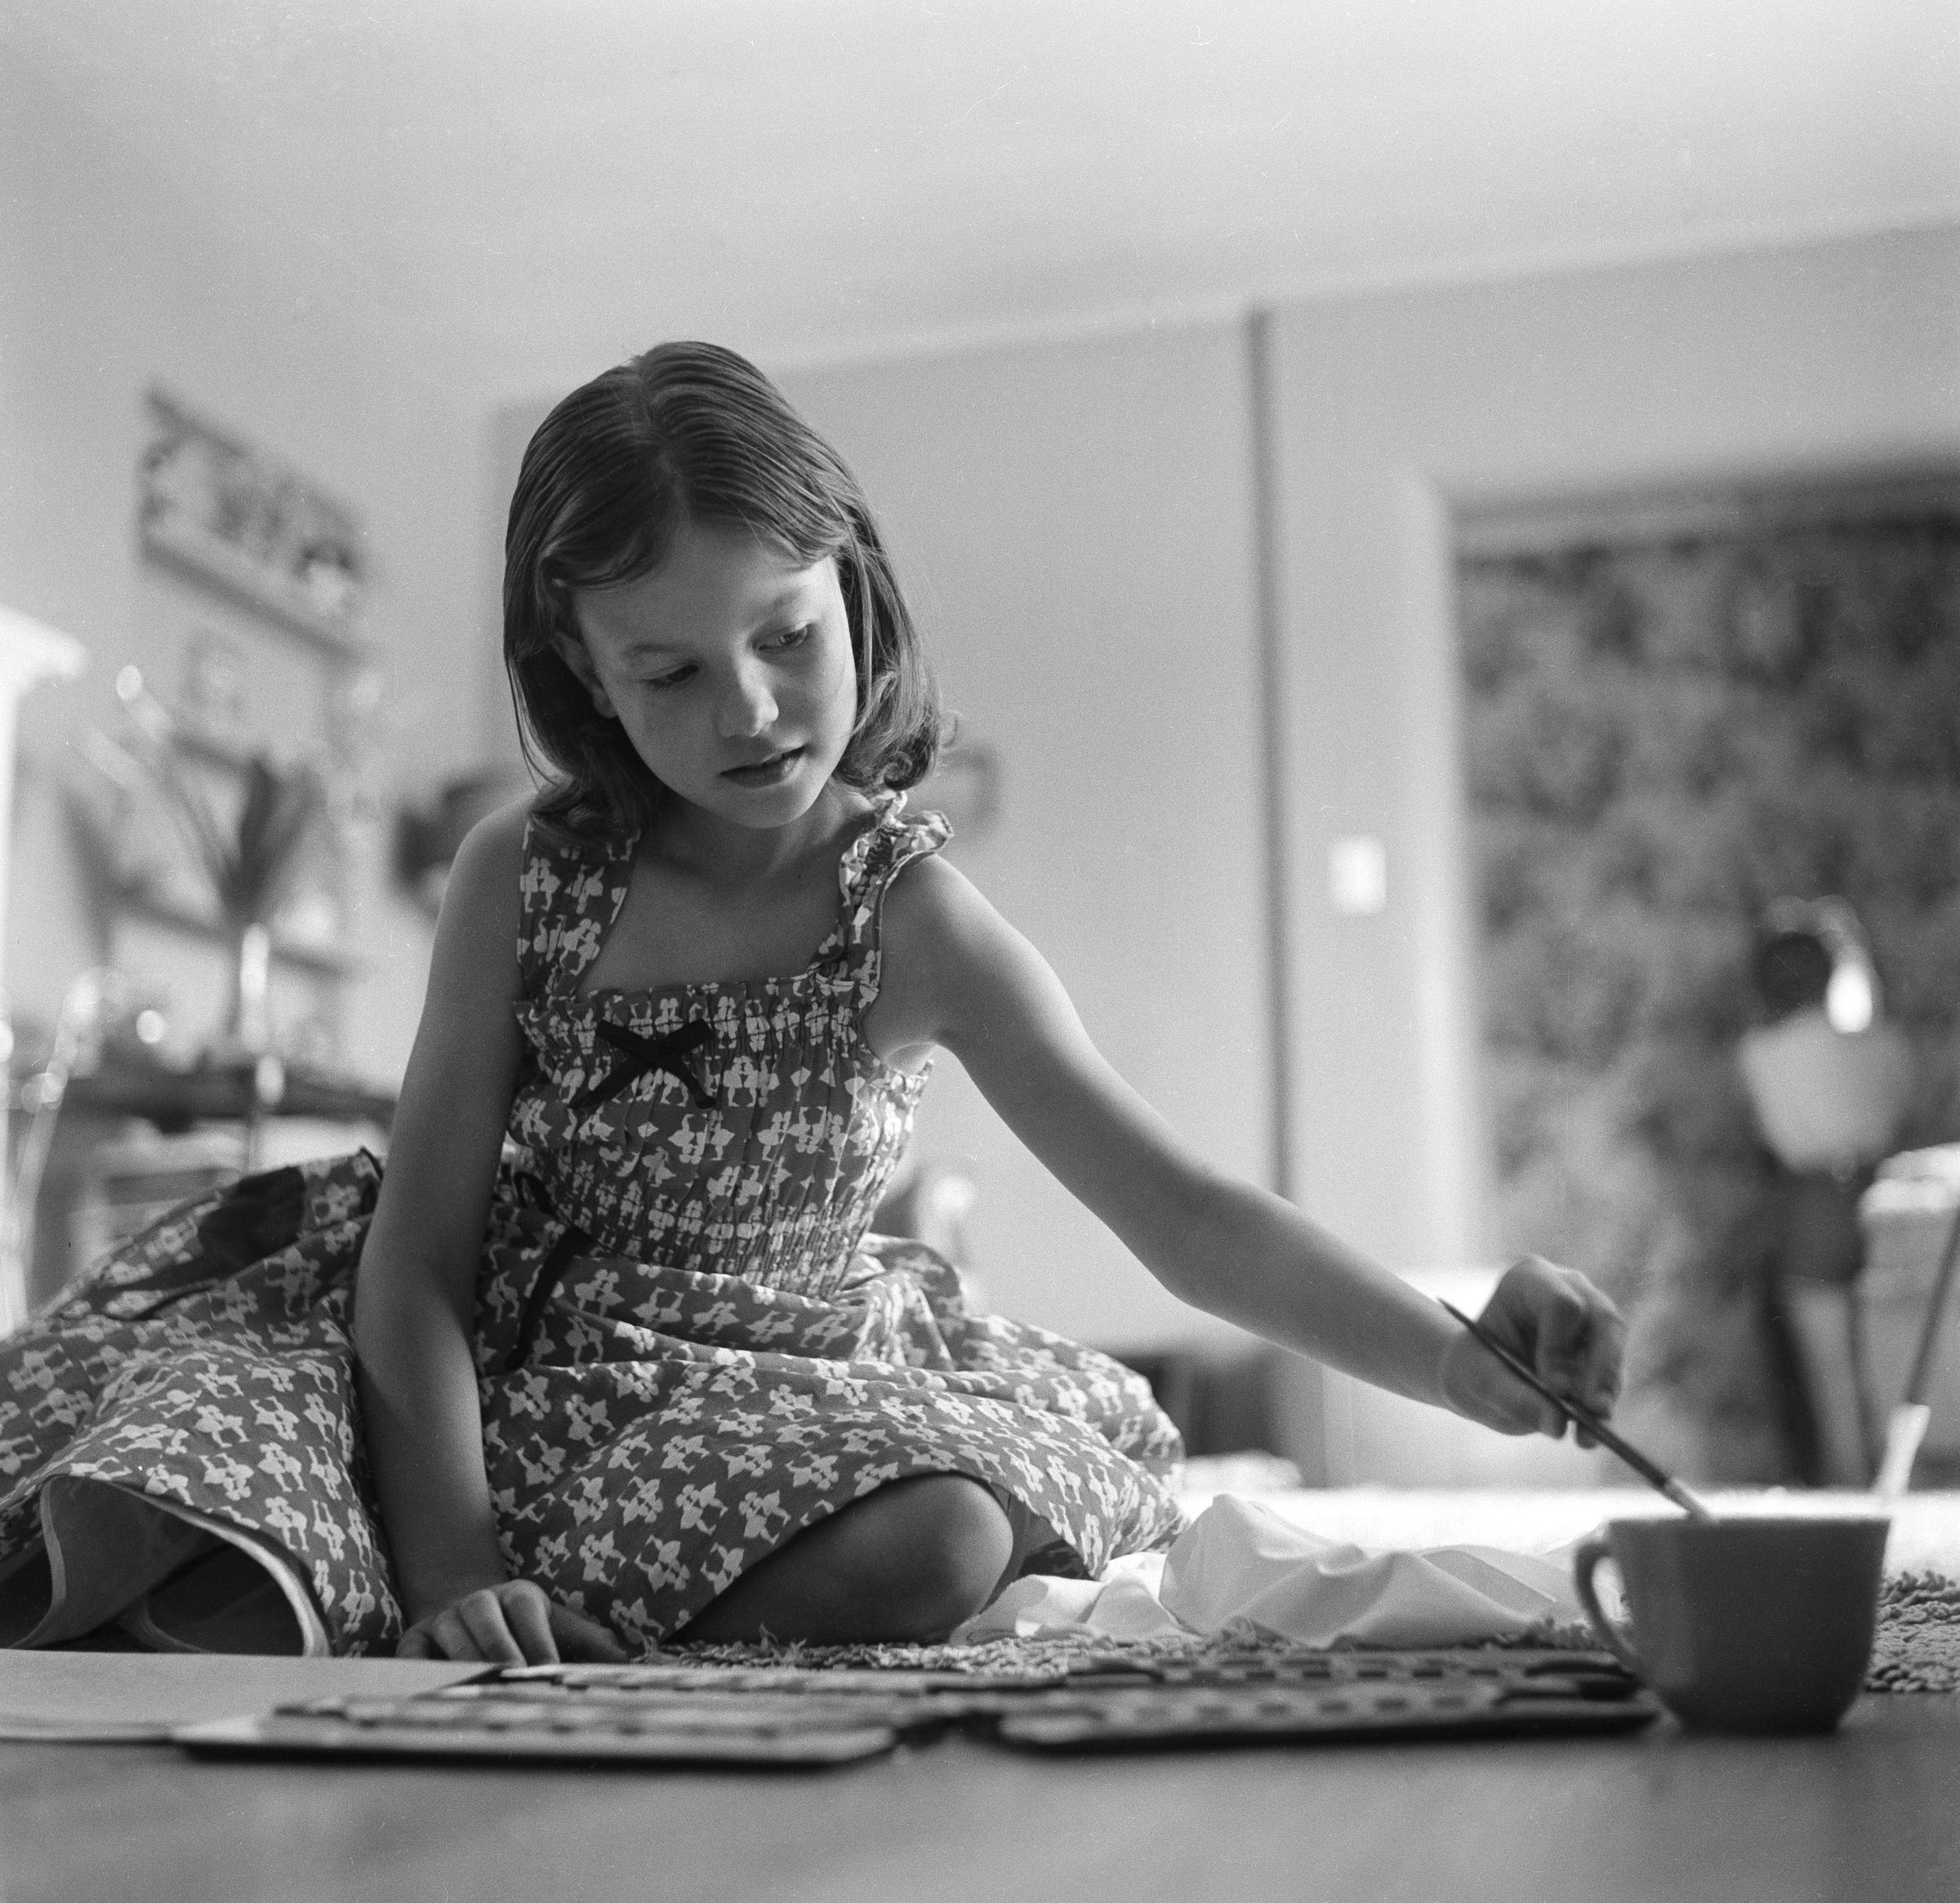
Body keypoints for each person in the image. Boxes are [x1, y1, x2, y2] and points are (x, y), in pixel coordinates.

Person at [0, 344, 1623, 1664]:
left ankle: (596, 1617)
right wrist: (458, 1577)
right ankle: (498, 1596)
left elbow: (1185, 1211)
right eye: (669, 672)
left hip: (791, 1394)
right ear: (578, 665)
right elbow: (414, 1268)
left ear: (852, 585)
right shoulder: (524, 875)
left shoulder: (915, 918)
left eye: (786, 635)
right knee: (175, 1517)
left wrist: (1461, 1357)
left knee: (947, 1533)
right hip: (515, 1380)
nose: (753, 709)